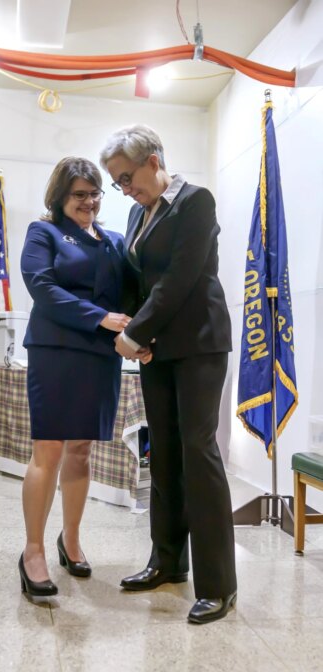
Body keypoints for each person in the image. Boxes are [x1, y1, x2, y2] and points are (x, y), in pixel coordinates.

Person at [99, 124, 237, 624]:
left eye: (128, 177)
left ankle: (219, 585)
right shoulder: (139, 212)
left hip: (199, 344)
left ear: (155, 159)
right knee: (163, 453)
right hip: (157, 349)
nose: (125, 189)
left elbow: (180, 278)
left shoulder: (195, 201)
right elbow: (141, 280)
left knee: (198, 453)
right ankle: (167, 561)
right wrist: (135, 332)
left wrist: (133, 334)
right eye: (118, 183)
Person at [18, 157, 130, 596]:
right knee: (48, 449)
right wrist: (100, 317)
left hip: (101, 356)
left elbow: (132, 294)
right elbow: (42, 287)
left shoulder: (115, 240)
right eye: (79, 194)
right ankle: (32, 551)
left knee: (81, 451)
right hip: (56, 351)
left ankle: (71, 539)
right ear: (61, 197)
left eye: (95, 192)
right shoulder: (42, 232)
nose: (89, 201)